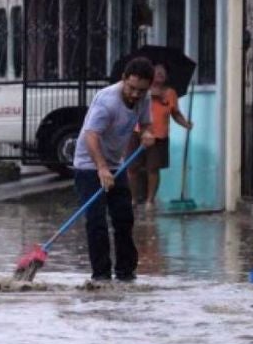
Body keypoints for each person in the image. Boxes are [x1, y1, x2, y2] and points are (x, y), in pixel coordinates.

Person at [72, 57, 156, 281]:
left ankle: (126, 273)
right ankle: (101, 276)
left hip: (116, 165)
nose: (135, 94)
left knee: (124, 218)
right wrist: (101, 168)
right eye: (132, 88)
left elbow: (145, 124)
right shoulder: (107, 101)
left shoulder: (144, 98)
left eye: (141, 90)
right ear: (123, 79)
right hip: (89, 165)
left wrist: (147, 133)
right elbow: (91, 135)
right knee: (97, 221)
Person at [126, 64, 193, 211]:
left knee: (153, 169)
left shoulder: (170, 93)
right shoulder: (142, 89)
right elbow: (130, 104)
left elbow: (175, 113)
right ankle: (133, 199)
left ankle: (150, 200)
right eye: (156, 72)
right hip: (138, 133)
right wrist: (149, 94)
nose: (160, 74)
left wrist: (186, 124)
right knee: (132, 167)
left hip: (159, 136)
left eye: (163, 72)